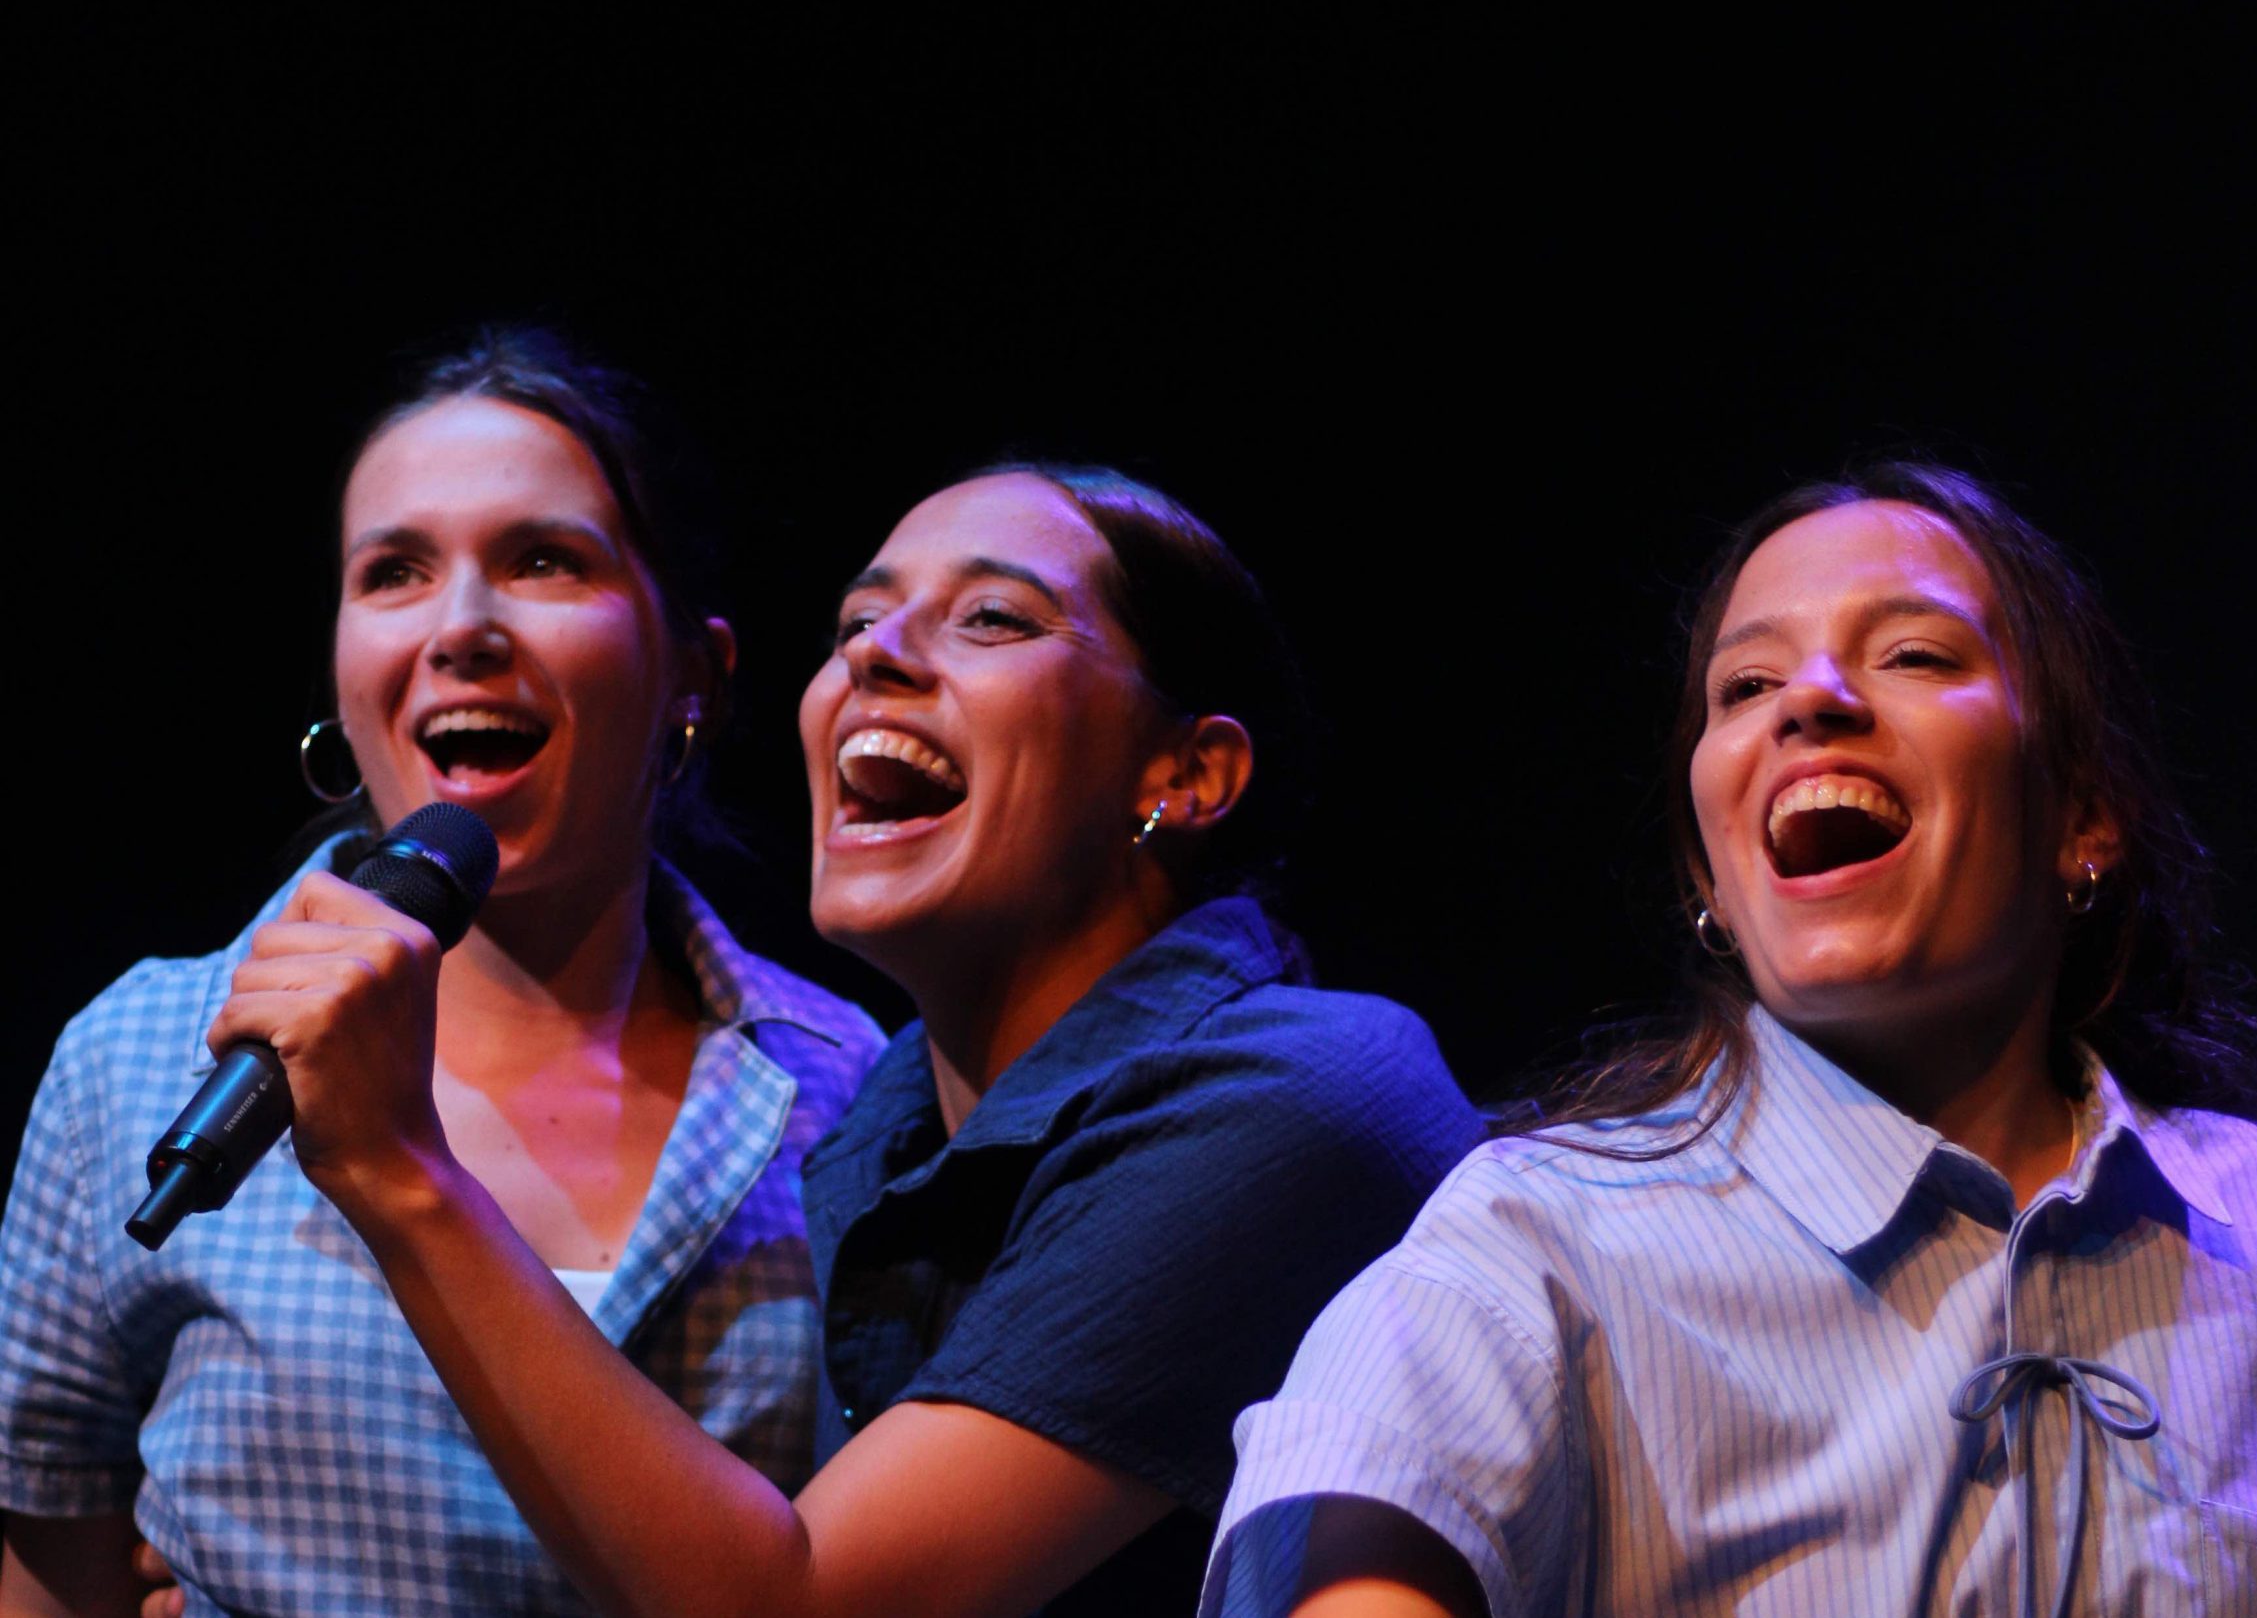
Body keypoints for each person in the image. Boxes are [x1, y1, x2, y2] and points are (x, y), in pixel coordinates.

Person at [154, 461, 1482, 1618]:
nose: (872, 657)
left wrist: (398, 1166)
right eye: (854, 622)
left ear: (1183, 775)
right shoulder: (878, 1116)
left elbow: (798, 1598)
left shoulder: (1301, 1094)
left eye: (992, 616)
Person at [1202, 461, 2257, 1618]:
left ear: (2082, 818)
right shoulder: (1539, 1242)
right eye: (1746, 683)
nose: (1810, 699)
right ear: (1712, 875)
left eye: (1913, 655)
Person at [0, 330, 882, 1618]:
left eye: (544, 560)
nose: (462, 625)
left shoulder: (847, 1088)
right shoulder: (137, 1058)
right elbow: (52, 1568)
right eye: (394, 571)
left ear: (693, 672)